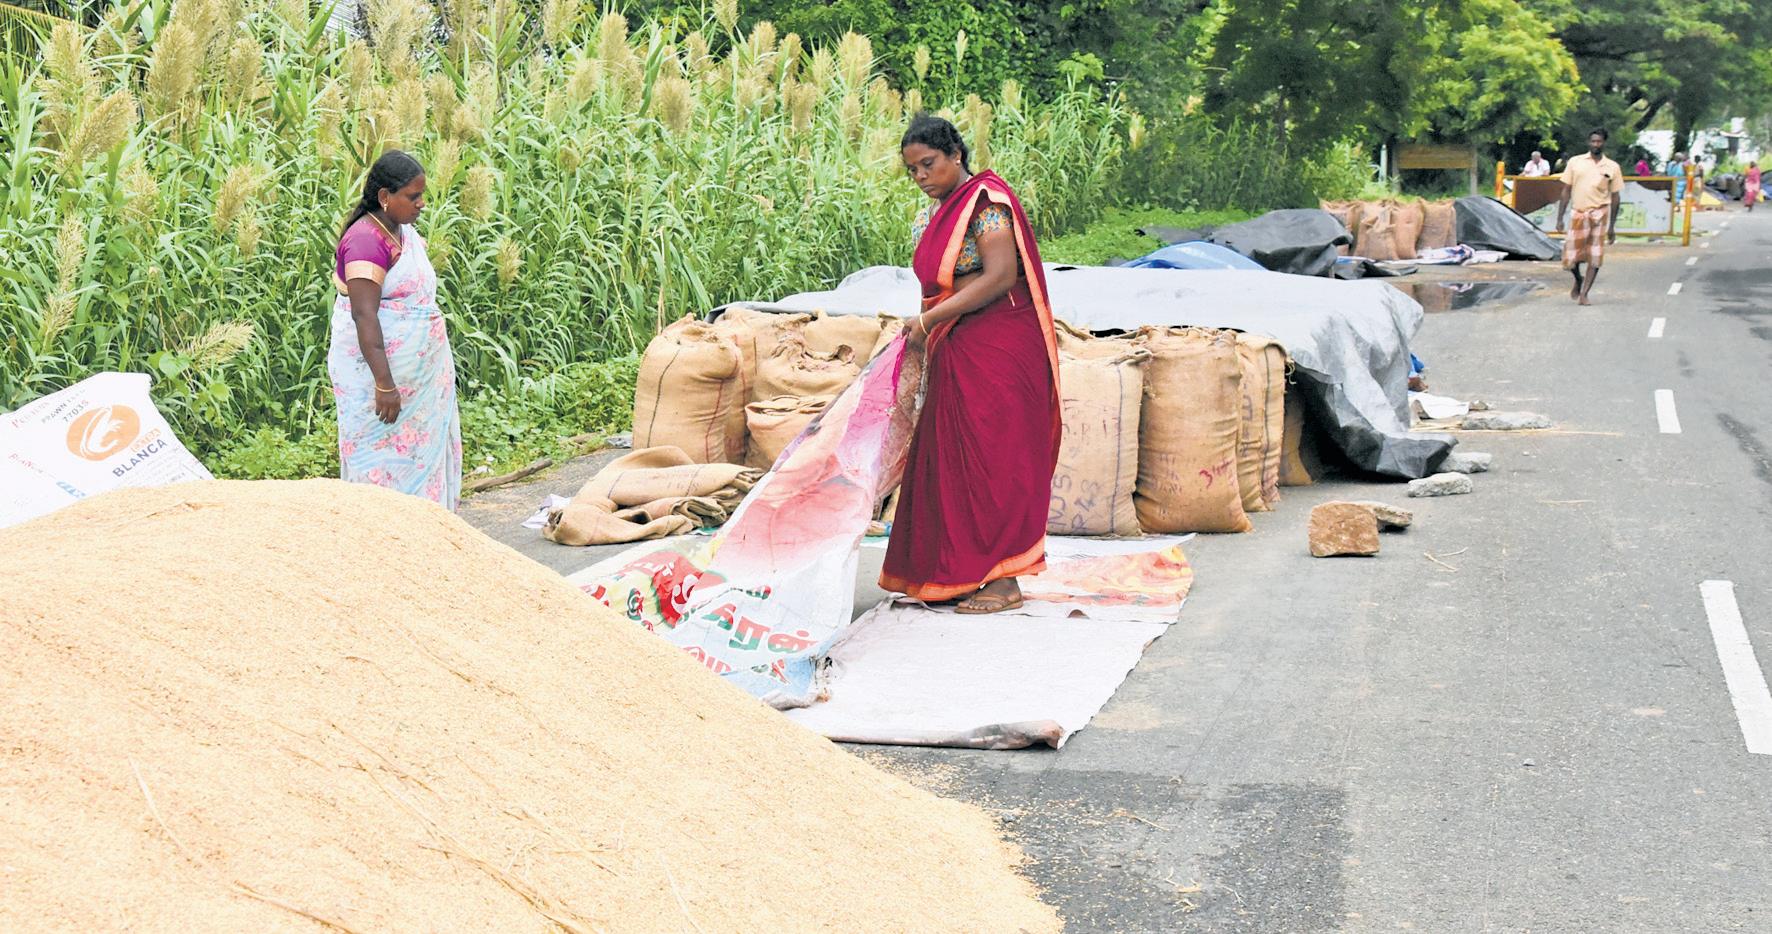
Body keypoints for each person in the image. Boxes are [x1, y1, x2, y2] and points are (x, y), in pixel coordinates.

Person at [879, 114, 1061, 615]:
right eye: (912, 169)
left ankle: (1005, 580)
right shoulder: (934, 214)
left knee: (995, 455)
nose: (920, 176)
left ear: (956, 155)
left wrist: (931, 316)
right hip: (955, 341)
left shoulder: (985, 206)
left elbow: (1001, 275)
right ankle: (955, 572)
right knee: (951, 456)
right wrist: (926, 325)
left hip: (1000, 342)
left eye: (928, 164)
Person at [328, 149, 462, 509]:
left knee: (417, 460)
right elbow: (364, 316)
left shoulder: (400, 232)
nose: (421, 204)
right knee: (379, 465)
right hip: (378, 382)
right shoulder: (365, 242)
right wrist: (385, 385)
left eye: (422, 196)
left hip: (418, 385)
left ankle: (425, 530)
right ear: (385, 197)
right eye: (412, 196)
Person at [1555, 129, 1623, 306]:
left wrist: (1612, 227)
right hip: (1579, 212)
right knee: (1571, 257)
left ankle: (1585, 293)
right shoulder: (1575, 162)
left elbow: (1615, 196)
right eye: (1593, 141)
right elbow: (1566, 190)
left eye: (1599, 142)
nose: (1596, 145)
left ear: (1604, 143)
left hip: (1599, 214)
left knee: (1595, 255)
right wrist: (1560, 217)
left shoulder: (1612, 167)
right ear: (1588, 142)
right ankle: (1578, 279)